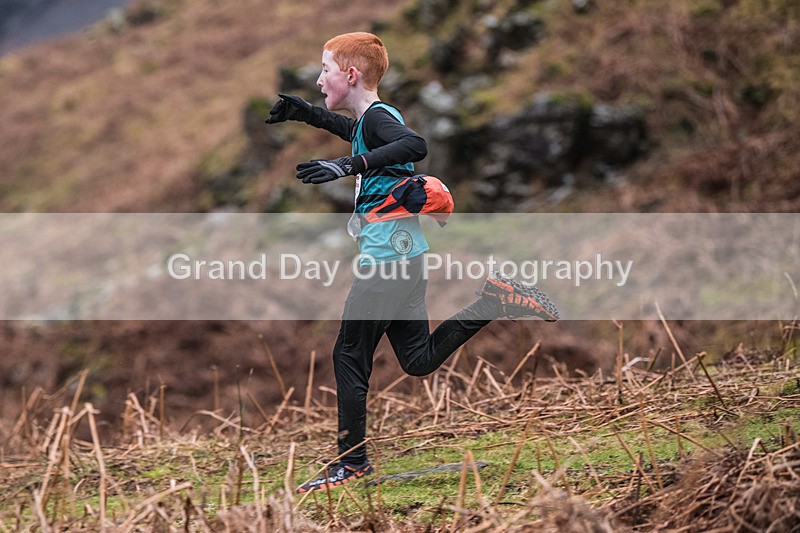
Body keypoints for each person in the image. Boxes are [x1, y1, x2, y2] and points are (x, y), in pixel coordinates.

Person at [266, 32, 558, 494]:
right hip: (408, 261)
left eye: (325, 70)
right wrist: (305, 112)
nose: (319, 79)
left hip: (385, 264)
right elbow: (353, 132)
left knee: (349, 355)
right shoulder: (370, 120)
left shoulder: (383, 120)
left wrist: (346, 168)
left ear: (351, 75)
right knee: (417, 361)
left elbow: (413, 145)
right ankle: (494, 300)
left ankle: (350, 463)